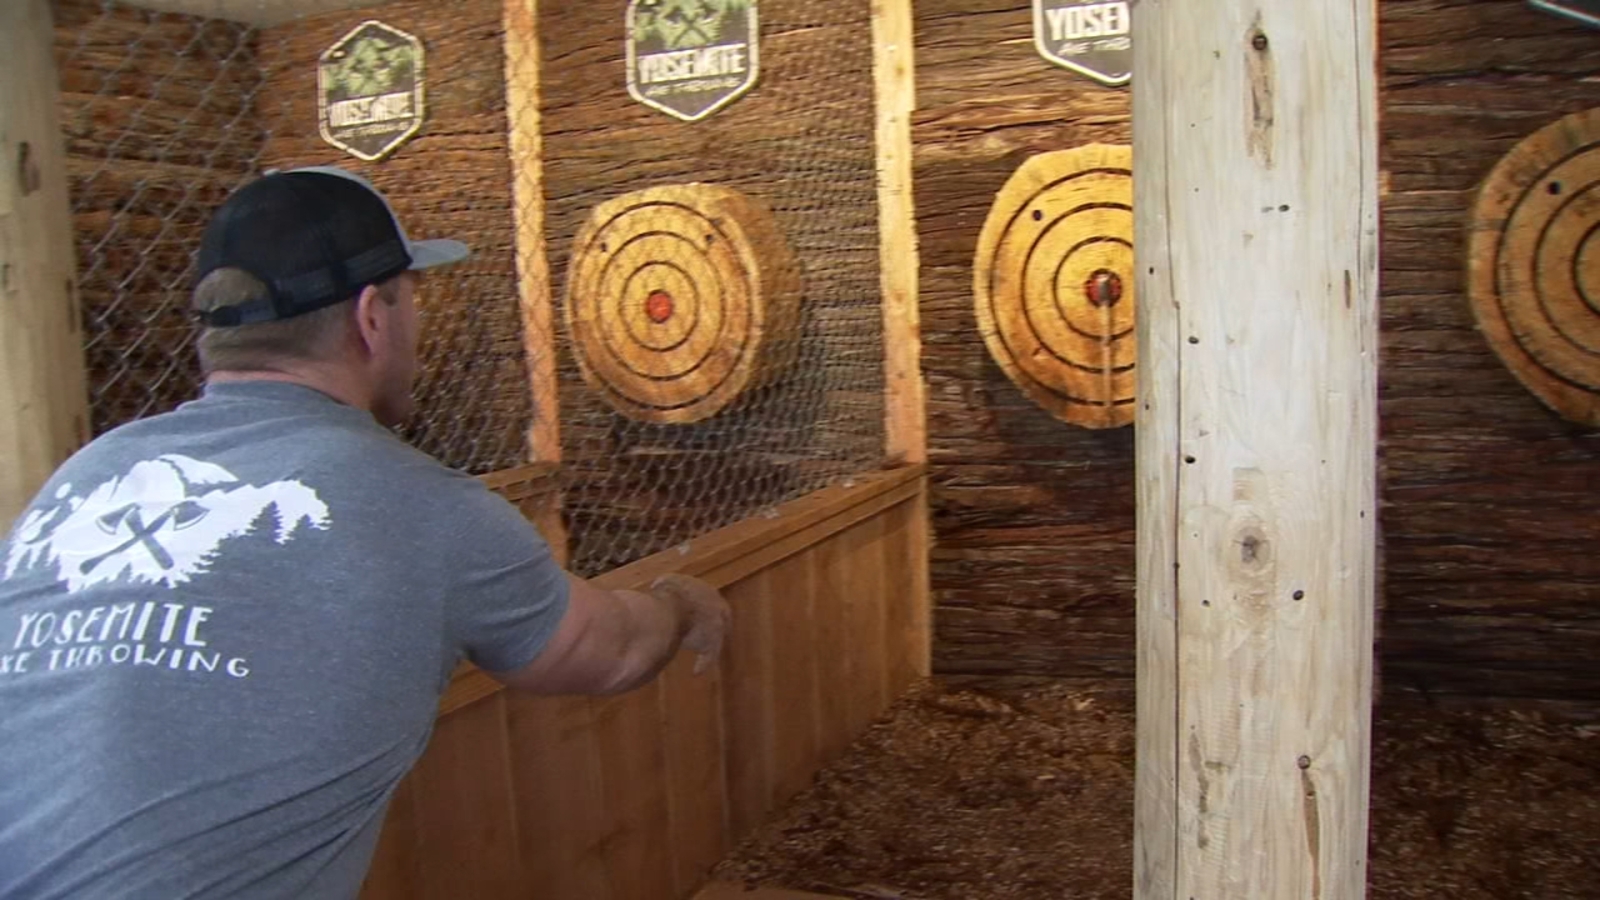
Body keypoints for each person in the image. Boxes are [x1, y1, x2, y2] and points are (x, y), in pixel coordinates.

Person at [0, 166, 732, 899]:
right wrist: (677, 603)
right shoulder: (418, 502)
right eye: (411, 297)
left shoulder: (85, 475)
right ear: (371, 317)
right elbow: (608, 653)